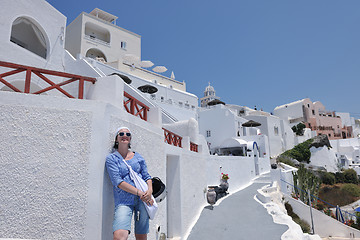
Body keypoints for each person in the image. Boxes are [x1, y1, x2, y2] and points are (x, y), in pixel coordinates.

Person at [106, 127, 154, 240]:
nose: (124, 135)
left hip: (142, 200)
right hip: (124, 201)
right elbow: (118, 182)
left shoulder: (138, 157)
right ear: (116, 139)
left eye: (127, 134)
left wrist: (150, 191)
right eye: (121, 134)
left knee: (141, 236)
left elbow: (147, 176)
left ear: (130, 138)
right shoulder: (111, 159)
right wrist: (139, 192)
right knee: (119, 236)